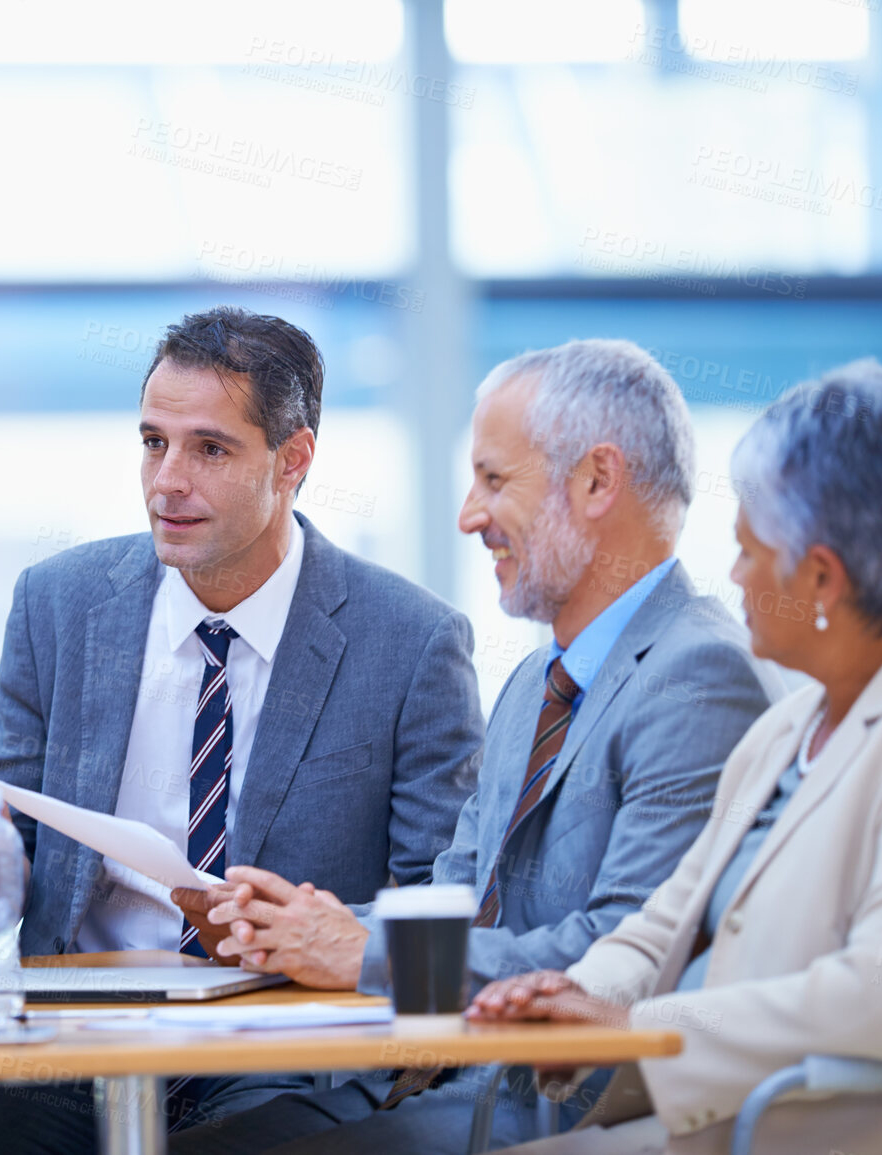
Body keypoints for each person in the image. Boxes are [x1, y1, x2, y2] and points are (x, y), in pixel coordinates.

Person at [170, 339, 783, 1155]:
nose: (467, 514)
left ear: (598, 481)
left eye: (494, 479)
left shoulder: (697, 674)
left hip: (553, 1095)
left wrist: (363, 951)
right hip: (433, 1074)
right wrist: (289, 928)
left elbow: (618, 946)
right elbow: (460, 888)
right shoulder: (537, 678)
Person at [0, 307, 487, 1153]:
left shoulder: (409, 641)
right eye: (152, 442)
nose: (165, 481)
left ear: (293, 461)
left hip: (278, 1039)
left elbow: (435, 900)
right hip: (77, 1036)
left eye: (208, 449)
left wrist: (289, 932)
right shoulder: (57, 605)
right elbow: (19, 852)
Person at [467, 361, 882, 1155]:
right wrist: (571, 994)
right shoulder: (788, 727)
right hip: (709, 1122)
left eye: (750, 551)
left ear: (820, 578)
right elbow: (660, 927)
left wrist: (632, 1026)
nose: (732, 576)